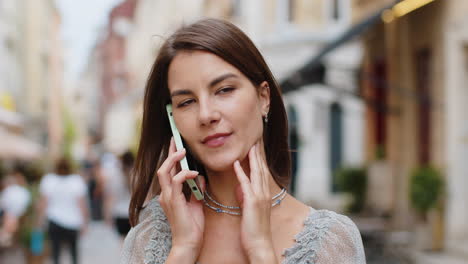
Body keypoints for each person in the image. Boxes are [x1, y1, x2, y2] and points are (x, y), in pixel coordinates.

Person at [121, 18, 366, 264]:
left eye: (224, 90)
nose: (206, 115)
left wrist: (260, 250)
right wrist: (184, 249)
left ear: (263, 98)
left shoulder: (333, 241)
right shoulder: (150, 236)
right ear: (173, 120)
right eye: (186, 102)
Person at [37, 158, 89, 264]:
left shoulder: (49, 180)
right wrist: (84, 223)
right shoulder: (76, 180)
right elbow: (82, 204)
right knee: (73, 251)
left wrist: (39, 221)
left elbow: (43, 203)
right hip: (73, 221)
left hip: (54, 220)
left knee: (55, 251)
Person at [103, 150, 134, 239]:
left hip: (119, 212)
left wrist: (107, 215)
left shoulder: (115, 176)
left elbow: (110, 198)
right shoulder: (138, 174)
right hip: (134, 212)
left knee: (123, 242)